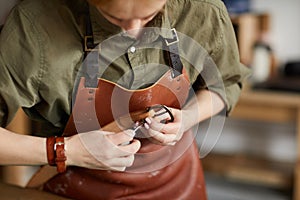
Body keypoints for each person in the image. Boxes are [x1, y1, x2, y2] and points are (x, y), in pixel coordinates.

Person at [0, 0, 250, 199]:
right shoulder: (34, 26)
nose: (132, 30)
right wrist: (67, 151)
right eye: (115, 18)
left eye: (150, 16)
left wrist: (187, 118)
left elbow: (225, 84)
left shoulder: (203, 10)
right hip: (75, 187)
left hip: (176, 185)